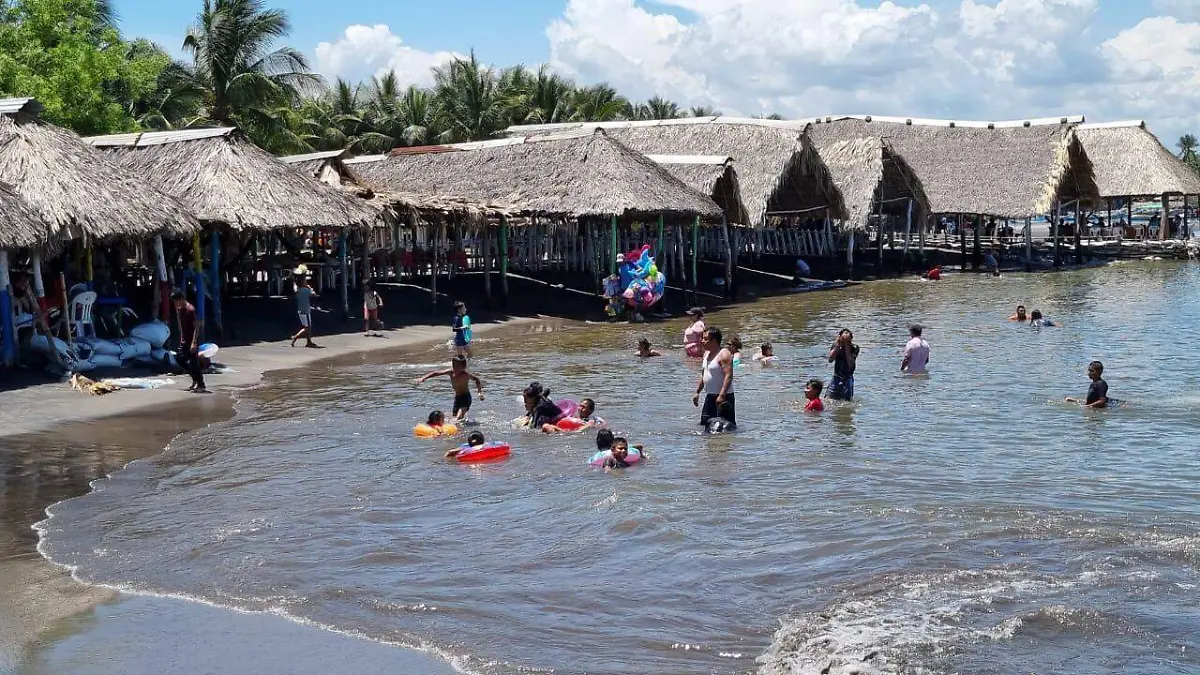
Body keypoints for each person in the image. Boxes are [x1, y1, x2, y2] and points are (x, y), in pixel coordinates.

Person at [415, 355, 484, 422]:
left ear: (463, 367)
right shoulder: (451, 372)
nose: (454, 368)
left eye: (457, 366)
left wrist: (480, 392)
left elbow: (476, 379)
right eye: (453, 365)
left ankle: (459, 430)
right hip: (457, 398)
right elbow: (436, 373)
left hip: (466, 397)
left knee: (458, 418)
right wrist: (423, 378)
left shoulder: (465, 374)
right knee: (454, 418)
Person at [692, 327, 735, 430]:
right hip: (710, 396)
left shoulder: (724, 354)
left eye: (705, 339)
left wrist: (721, 395)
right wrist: (697, 392)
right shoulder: (706, 354)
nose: (702, 341)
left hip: (724, 397)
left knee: (726, 428)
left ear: (714, 340)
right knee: (706, 426)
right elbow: (703, 374)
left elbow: (728, 376)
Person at [171, 290, 208, 393]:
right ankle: (195, 378)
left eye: (176, 301)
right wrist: (182, 338)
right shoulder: (179, 309)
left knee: (194, 363)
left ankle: (201, 385)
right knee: (179, 359)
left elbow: (197, 327)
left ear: (182, 299)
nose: (175, 304)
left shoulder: (190, 309)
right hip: (184, 340)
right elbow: (182, 326)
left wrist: (194, 343)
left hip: (192, 340)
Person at [827, 328, 859, 401]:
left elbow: (850, 363)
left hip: (848, 377)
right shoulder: (836, 345)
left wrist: (847, 347)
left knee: (847, 401)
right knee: (828, 400)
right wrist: (838, 345)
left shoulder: (854, 348)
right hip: (836, 377)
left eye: (848, 340)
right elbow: (830, 359)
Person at [290, 275, 317, 348]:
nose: (306, 282)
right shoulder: (306, 290)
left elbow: (295, 286)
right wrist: (310, 288)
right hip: (306, 310)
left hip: (300, 310)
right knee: (307, 328)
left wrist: (295, 281)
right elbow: (314, 294)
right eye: (305, 281)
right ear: (302, 283)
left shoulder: (297, 290)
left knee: (306, 326)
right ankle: (295, 337)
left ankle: (309, 341)